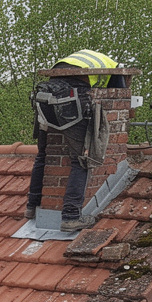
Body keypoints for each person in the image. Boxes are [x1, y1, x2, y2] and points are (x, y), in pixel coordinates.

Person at [25, 49, 122, 232]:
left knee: (43, 155)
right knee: (80, 160)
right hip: (71, 99)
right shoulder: (111, 65)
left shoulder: (74, 58)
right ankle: (70, 217)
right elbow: (117, 91)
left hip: (46, 96)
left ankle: (32, 206)